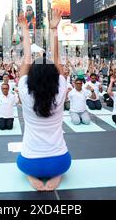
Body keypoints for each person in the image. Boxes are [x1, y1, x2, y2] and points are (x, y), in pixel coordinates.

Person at [16, 10, 71, 192]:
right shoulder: (61, 90)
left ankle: (32, 176)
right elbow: (57, 59)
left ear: (31, 76)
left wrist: (25, 28)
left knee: (21, 163)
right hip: (60, 162)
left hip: (29, 162)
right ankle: (57, 175)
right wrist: (54, 28)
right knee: (63, 164)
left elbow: (26, 57)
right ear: (54, 76)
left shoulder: (24, 92)